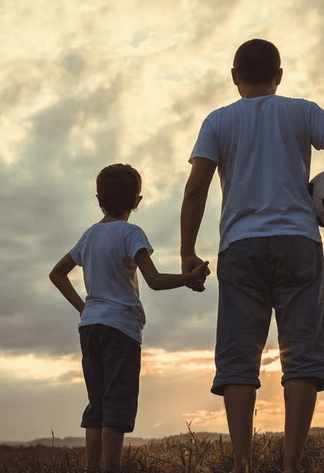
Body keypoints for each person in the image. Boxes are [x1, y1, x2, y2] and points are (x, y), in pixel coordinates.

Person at [180, 39, 324, 473]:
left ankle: (243, 464)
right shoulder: (302, 110)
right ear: (280, 75)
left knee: (237, 359)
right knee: (302, 355)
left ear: (234, 77)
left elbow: (195, 189)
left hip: (239, 246)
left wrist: (186, 253)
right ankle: (291, 465)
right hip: (298, 244)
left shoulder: (217, 121)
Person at [50, 163, 209, 473]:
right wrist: (189, 278)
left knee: (97, 405)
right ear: (137, 201)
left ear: (99, 199)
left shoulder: (90, 235)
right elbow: (154, 280)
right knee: (116, 407)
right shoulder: (131, 233)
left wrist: (84, 308)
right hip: (120, 330)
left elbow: (57, 274)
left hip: (90, 328)